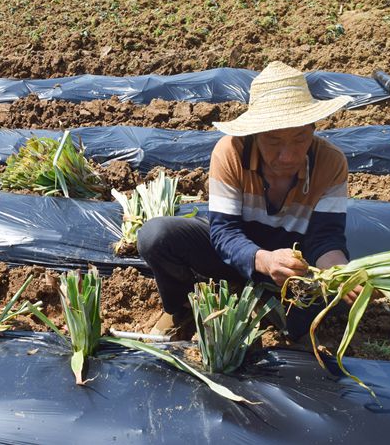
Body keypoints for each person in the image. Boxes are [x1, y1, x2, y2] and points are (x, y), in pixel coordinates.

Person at [140, 61, 357, 340]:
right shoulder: (230, 153)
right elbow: (224, 232)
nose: (288, 156)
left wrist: (337, 271)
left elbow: (325, 237)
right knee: (156, 236)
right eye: (274, 141)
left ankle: (262, 306)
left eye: (300, 138)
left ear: (313, 129)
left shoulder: (330, 162)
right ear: (255, 134)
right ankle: (180, 309)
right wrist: (264, 261)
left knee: (328, 309)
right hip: (233, 253)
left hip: (293, 267)